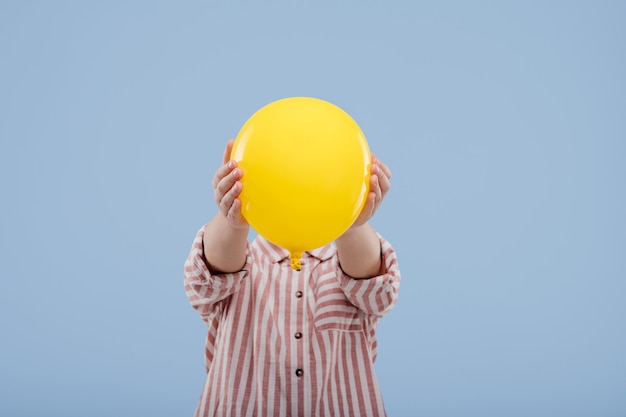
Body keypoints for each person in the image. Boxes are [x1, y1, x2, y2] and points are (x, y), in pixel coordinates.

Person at [184, 139, 401, 417]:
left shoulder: (350, 261)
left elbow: (378, 293)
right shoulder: (240, 264)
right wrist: (231, 221)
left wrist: (349, 222)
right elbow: (205, 281)